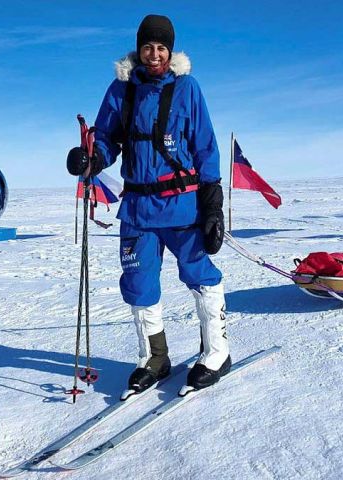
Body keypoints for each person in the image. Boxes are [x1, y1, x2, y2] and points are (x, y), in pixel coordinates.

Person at [67, 14, 229, 395]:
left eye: (161, 47)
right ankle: (154, 358)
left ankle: (217, 351)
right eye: (147, 47)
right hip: (138, 208)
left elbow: (205, 145)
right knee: (138, 282)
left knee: (198, 273)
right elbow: (106, 139)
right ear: (138, 50)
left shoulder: (188, 89)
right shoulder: (121, 90)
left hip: (183, 205)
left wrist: (212, 202)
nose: (154, 54)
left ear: (170, 52)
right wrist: (91, 160)